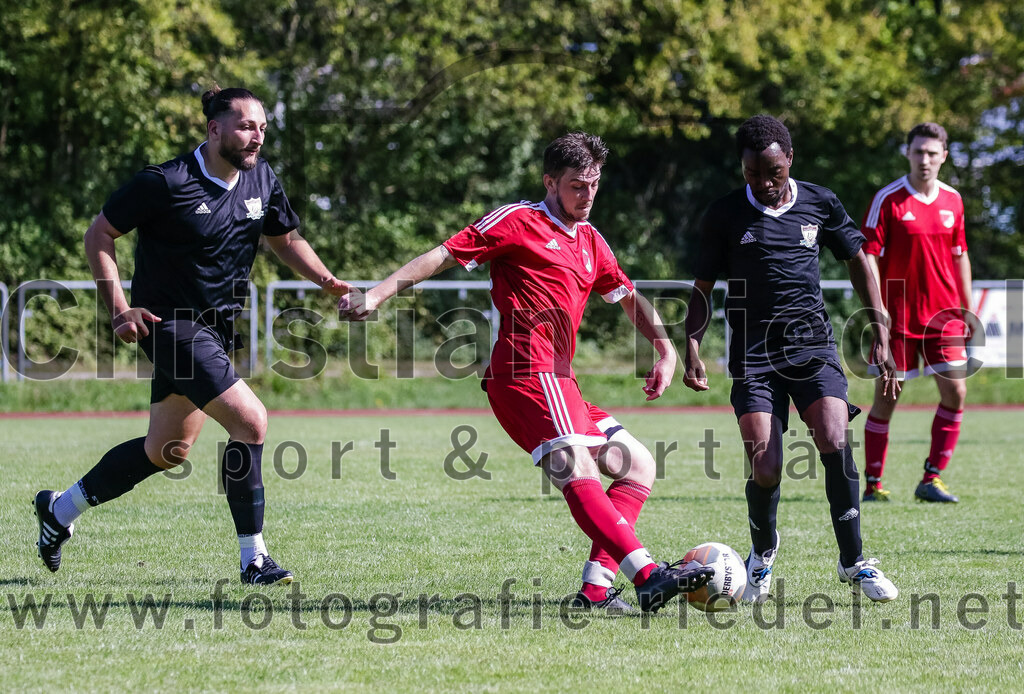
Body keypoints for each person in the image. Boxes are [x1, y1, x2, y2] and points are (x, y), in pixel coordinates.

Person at [339, 132, 713, 613]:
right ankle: (647, 575)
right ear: (550, 182)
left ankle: (597, 591)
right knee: (578, 468)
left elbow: (625, 294)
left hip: (562, 379)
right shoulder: (520, 220)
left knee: (638, 464)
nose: (588, 194)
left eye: (594, 184)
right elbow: (445, 254)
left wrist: (665, 350)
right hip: (524, 371)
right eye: (578, 185)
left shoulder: (591, 241)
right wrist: (375, 294)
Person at [33, 86, 351, 585]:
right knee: (251, 422)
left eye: (263, 129)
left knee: (167, 449)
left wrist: (326, 280)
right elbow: (99, 234)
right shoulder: (165, 182)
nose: (256, 138)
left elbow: (285, 239)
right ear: (214, 128)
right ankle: (254, 559)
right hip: (171, 327)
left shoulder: (261, 179)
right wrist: (118, 308)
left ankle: (59, 510)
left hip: (218, 330)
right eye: (247, 126)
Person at [683, 114, 900, 603]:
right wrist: (691, 345)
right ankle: (761, 556)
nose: (763, 184)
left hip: (812, 349)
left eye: (773, 174)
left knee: (833, 435)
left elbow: (858, 260)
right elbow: (702, 289)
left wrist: (878, 326)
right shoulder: (723, 214)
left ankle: (854, 563)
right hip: (753, 355)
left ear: (790, 161)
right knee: (766, 468)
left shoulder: (820, 202)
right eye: (752, 175)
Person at [860, 122, 973, 503]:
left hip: (945, 317)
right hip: (898, 318)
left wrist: (968, 307)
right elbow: (869, 256)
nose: (924, 159)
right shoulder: (889, 199)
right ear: (907, 153)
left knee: (956, 391)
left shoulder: (953, 201)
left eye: (931, 153)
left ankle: (932, 479)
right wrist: (878, 313)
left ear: (944, 156)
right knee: (887, 398)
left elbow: (960, 255)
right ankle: (873, 484)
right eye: (918, 152)